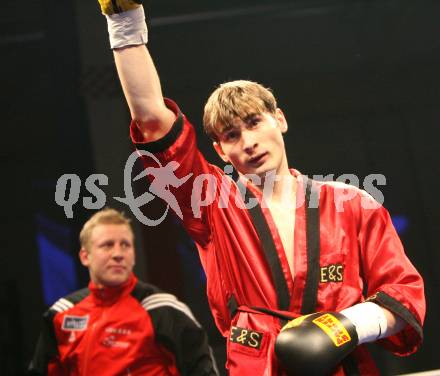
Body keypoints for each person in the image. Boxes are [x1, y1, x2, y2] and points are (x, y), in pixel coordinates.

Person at [95, 1, 426, 375]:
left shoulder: (353, 204)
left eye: (254, 122)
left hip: (342, 366)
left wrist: (346, 326)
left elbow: (404, 295)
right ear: (220, 151)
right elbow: (152, 119)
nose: (248, 141)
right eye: (232, 135)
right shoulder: (212, 206)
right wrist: (123, 19)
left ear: (279, 120)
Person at [29, 208, 219, 375]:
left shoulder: (163, 309)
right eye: (107, 245)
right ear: (85, 256)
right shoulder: (61, 315)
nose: (118, 254)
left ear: (134, 255)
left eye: (125, 245)